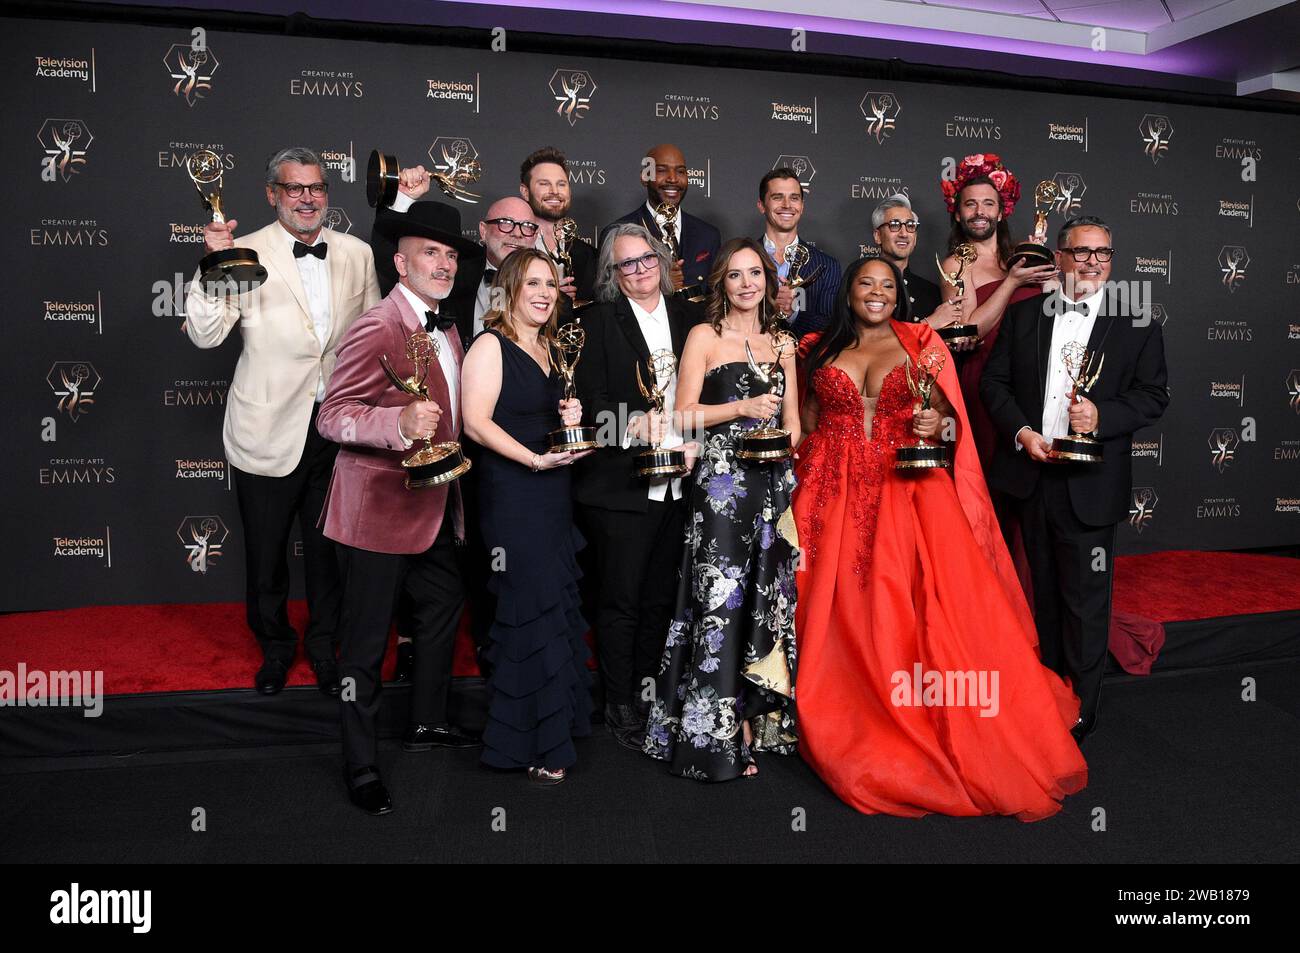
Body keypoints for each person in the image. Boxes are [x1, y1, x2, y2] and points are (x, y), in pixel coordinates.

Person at [792, 256, 1087, 821]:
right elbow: (807, 421)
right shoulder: (819, 348)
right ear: (847, 292)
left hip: (907, 491)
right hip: (830, 492)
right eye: (865, 284)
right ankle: (846, 708)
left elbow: (949, 421)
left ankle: (913, 712)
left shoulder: (922, 343)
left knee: (914, 605)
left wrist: (932, 424)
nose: (876, 294)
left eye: (886, 285)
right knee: (833, 609)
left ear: (897, 294)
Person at [185, 146, 380, 696]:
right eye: (294, 189)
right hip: (267, 429)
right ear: (273, 195)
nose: (307, 198)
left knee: (328, 553)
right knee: (266, 553)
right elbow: (205, 334)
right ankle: (274, 648)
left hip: (335, 429)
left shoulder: (357, 253)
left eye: (316, 188)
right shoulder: (245, 250)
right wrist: (212, 267)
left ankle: (324, 648)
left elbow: (369, 338)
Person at [316, 200, 484, 815]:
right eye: (429, 253)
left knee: (442, 607)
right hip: (378, 511)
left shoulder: (448, 325)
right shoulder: (377, 324)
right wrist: (396, 422)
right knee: (364, 645)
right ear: (399, 261)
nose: (443, 264)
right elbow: (331, 415)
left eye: (449, 254)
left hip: (437, 503)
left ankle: (428, 721)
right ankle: (360, 764)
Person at [981, 216, 1169, 741]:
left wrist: (1101, 417)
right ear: (1059, 258)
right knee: (1042, 594)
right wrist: (1022, 433)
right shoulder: (1023, 318)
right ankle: (1047, 695)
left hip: (1092, 485)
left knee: (1086, 602)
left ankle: (1081, 711)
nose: (1092, 263)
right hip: (1031, 475)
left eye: (1103, 254)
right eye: (1082, 252)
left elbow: (1154, 396)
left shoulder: (1136, 322)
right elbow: (994, 384)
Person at [643, 238, 799, 781]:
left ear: (768, 281)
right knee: (719, 604)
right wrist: (742, 408)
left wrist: (777, 439)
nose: (747, 283)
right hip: (720, 489)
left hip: (771, 486)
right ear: (722, 285)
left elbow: (796, 425)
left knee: (763, 599)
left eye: (755, 273)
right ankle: (715, 733)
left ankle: (754, 719)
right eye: (735, 275)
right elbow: (683, 416)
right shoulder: (704, 336)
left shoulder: (783, 341)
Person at [461, 248, 595, 785]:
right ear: (509, 290)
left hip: (554, 491)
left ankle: (553, 730)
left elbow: (545, 417)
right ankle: (527, 742)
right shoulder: (491, 345)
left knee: (553, 609)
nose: (543, 293)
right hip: (514, 493)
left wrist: (571, 419)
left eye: (550, 284)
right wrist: (536, 459)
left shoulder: (547, 346)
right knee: (527, 611)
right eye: (531, 283)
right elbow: (474, 423)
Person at [572, 224, 700, 749]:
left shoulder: (691, 317)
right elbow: (586, 402)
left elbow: (708, 390)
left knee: (659, 599)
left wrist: (696, 437)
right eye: (627, 263)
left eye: (648, 258)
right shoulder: (596, 322)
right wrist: (631, 424)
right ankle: (618, 700)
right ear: (612, 274)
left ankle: (652, 695)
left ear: (663, 261)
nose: (641, 269)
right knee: (620, 599)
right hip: (622, 487)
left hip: (681, 482)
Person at [938, 155, 1055, 470]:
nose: (980, 212)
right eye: (970, 205)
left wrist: (1049, 275)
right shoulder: (956, 265)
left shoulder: (1021, 257)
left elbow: (1053, 312)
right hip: (986, 381)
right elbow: (968, 331)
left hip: (1031, 380)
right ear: (958, 214)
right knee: (991, 476)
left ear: (1001, 212)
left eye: (988, 204)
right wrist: (1012, 282)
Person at [602, 143, 720, 294]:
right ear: (645, 177)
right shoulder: (617, 234)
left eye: (680, 171)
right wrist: (657, 285)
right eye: (662, 171)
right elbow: (607, 298)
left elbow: (715, 298)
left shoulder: (708, 235)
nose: (673, 179)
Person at [755, 167, 840, 338]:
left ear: (801, 207)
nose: (787, 205)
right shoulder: (741, 258)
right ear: (762, 206)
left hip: (804, 361)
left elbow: (830, 324)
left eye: (794, 198)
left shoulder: (826, 266)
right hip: (747, 357)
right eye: (777, 197)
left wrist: (793, 314)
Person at [871, 193, 965, 338]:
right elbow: (872, 344)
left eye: (910, 226)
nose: (904, 233)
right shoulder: (864, 286)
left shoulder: (931, 292)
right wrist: (929, 323)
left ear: (915, 237)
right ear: (877, 236)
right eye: (894, 225)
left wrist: (959, 341)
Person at [519, 146, 597, 305]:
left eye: (561, 184)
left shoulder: (590, 256)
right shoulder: (514, 248)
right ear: (525, 192)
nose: (555, 191)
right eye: (544, 184)